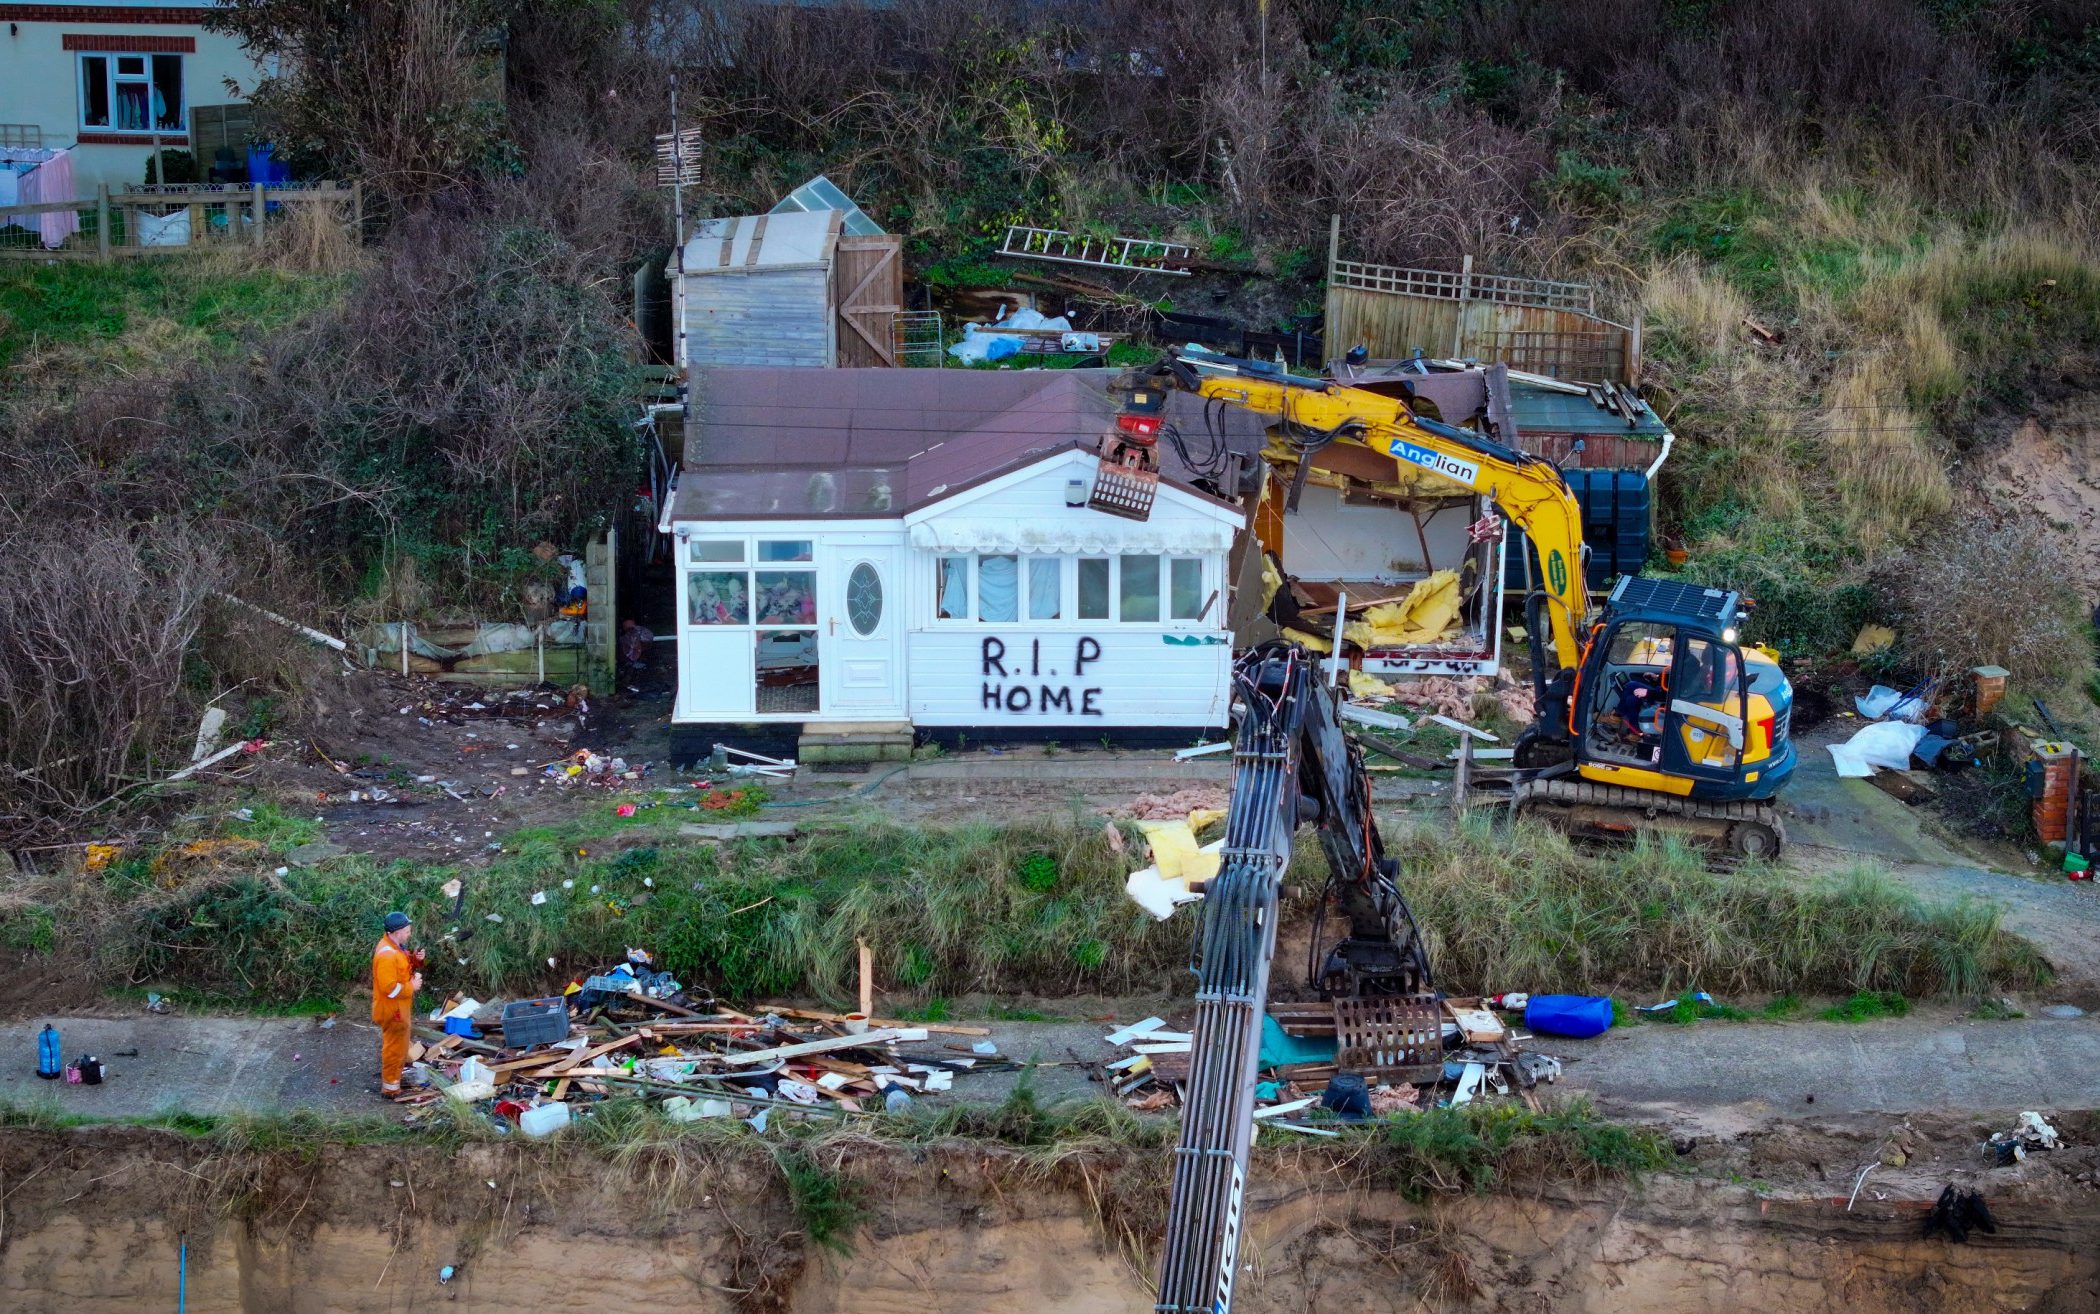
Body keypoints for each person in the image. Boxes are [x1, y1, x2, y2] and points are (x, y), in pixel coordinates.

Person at [371, 911, 423, 1100]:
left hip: (399, 1009)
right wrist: (412, 986)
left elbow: (403, 965)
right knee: (394, 1048)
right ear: (397, 931)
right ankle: (391, 1088)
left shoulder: (395, 947)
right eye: (407, 931)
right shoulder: (387, 955)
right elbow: (389, 988)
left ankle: (394, 1078)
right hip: (392, 1011)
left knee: (399, 1045)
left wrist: (417, 959)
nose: (409, 934)